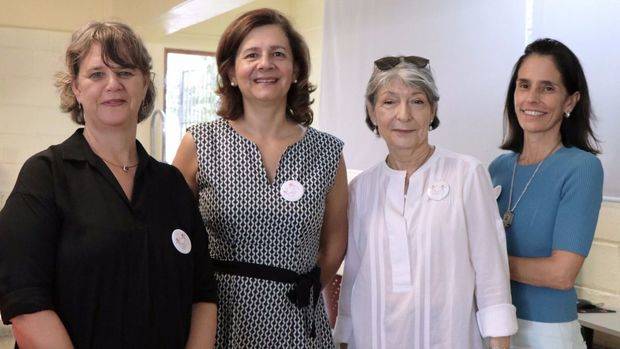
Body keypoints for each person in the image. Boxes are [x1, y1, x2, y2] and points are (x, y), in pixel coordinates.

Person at [0, 21, 217, 348]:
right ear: (75, 87)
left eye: (126, 72)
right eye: (97, 74)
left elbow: (203, 294)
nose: (113, 84)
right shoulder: (46, 175)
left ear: (144, 84)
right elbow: (26, 302)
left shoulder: (170, 185)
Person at [173, 8, 348, 348]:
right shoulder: (199, 143)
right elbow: (172, 235)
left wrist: (291, 287)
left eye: (278, 54)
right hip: (219, 321)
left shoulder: (327, 152)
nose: (265, 64)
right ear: (232, 72)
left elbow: (334, 245)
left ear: (295, 69)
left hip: (298, 323)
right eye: (251, 54)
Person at [334, 56, 517, 349]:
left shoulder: (466, 175)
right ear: (372, 111)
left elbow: (491, 278)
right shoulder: (360, 189)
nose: (403, 115)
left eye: (417, 101)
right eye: (389, 102)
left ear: (433, 110)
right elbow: (353, 280)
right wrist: (343, 339)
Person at [489, 38, 603, 349]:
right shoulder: (498, 168)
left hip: (547, 332)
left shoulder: (582, 168)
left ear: (570, 101)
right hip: (493, 324)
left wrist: (484, 261)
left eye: (547, 88)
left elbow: (560, 274)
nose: (532, 98)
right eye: (524, 86)